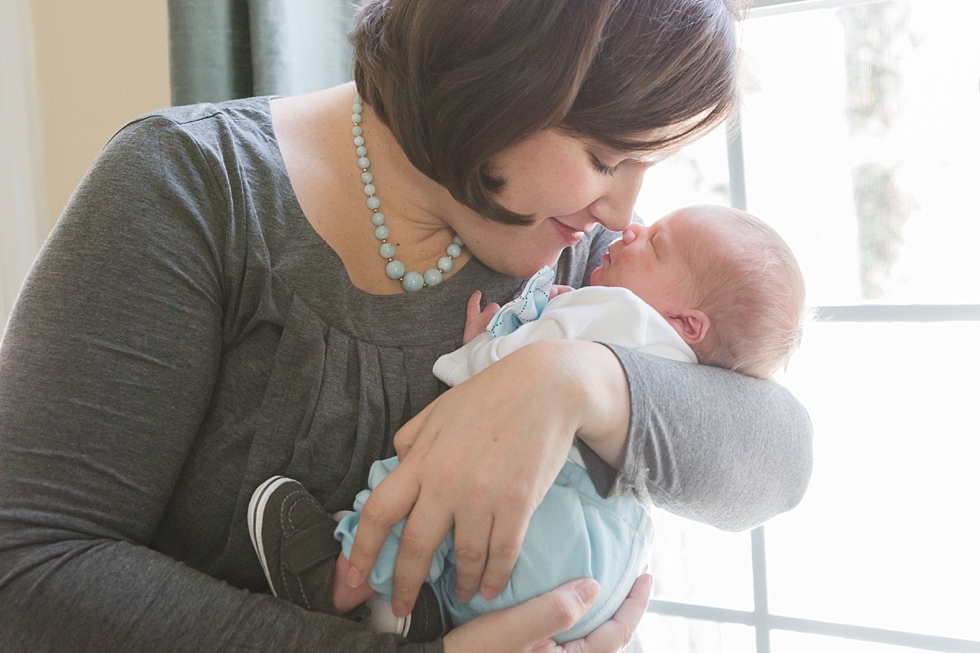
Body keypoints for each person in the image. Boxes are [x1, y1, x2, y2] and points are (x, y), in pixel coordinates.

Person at [0, 0, 813, 651]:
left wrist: (574, 380)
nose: (624, 208)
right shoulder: (192, 190)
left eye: (646, 164)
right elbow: (26, 572)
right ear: (501, 75)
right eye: (604, 157)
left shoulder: (584, 260)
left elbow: (778, 460)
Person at [246, 204, 806, 643]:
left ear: (688, 323)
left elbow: (497, 381)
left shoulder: (619, 307)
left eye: (653, 242)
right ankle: (411, 619)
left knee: (431, 464)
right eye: (604, 158)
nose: (628, 225)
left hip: (539, 519)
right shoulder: (678, 355)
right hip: (604, 570)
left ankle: (345, 577)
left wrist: (482, 348)